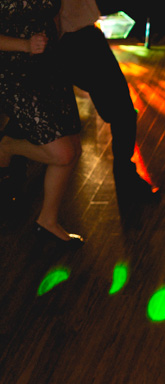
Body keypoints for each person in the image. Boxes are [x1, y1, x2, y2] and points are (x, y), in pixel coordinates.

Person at [59, 0, 158, 203]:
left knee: (122, 113)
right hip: (77, 40)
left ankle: (126, 179)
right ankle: (126, 181)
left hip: (76, 39)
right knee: (123, 113)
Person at [0, 0, 83, 245]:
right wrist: (26, 45)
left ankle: (48, 221)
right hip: (13, 72)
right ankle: (7, 146)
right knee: (63, 154)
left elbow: (53, 14)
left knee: (74, 149)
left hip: (50, 65)